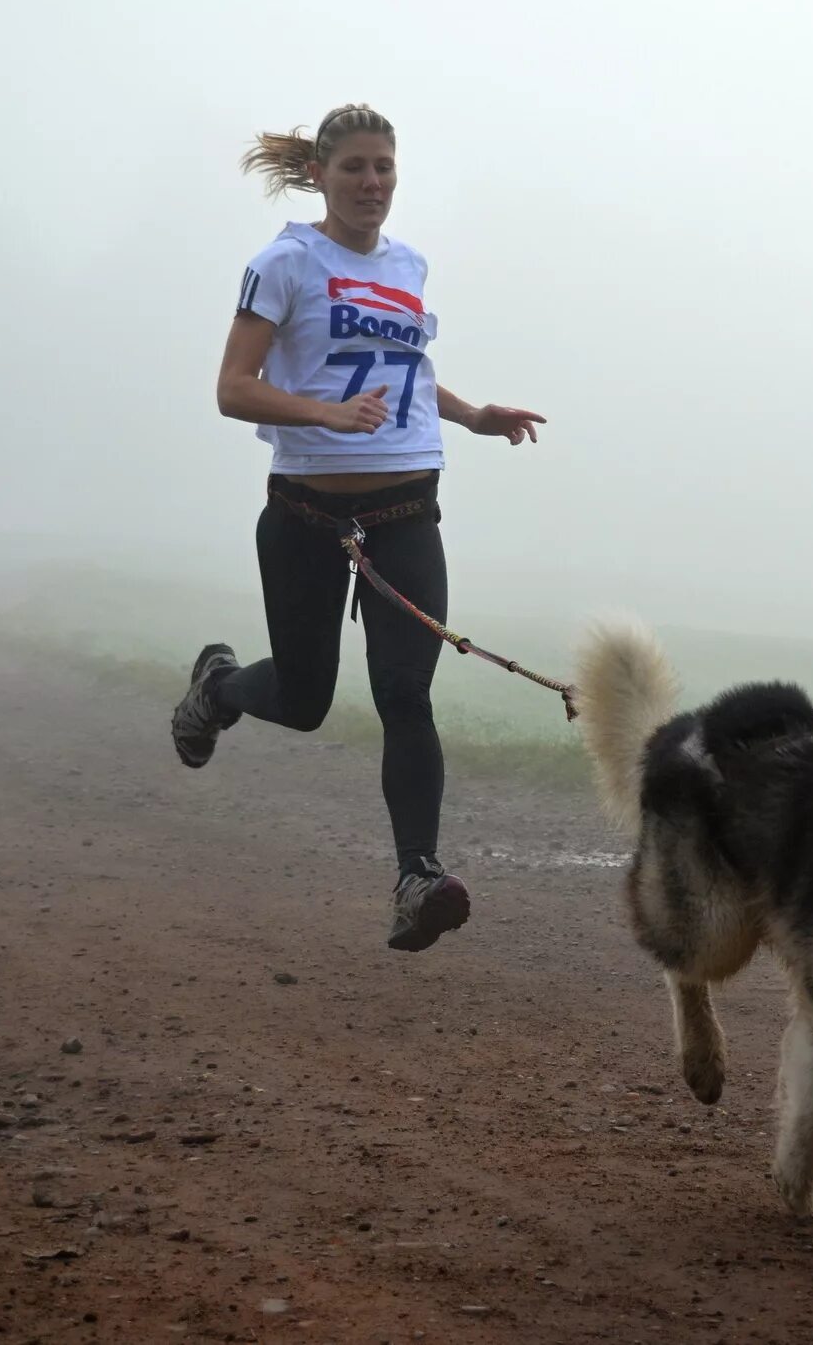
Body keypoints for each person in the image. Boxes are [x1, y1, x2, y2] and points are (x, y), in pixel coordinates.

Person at [171, 103, 546, 953]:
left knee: (404, 693)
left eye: (385, 168)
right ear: (319, 175)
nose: (372, 183)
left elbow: (408, 371)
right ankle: (219, 687)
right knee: (304, 702)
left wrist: (475, 414)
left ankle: (417, 876)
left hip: (408, 511)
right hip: (307, 515)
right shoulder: (286, 263)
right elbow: (233, 387)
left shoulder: (409, 264)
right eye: (355, 169)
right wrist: (321, 415)